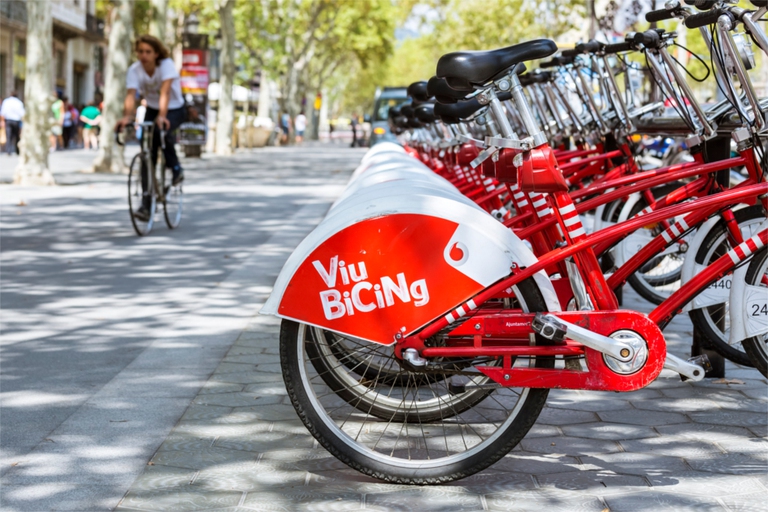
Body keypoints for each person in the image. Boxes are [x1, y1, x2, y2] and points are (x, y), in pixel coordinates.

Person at [117, 35, 186, 221]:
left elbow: (165, 93)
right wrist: (126, 117)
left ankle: (176, 168)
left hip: (175, 107)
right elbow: (131, 95)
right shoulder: (134, 70)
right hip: (152, 109)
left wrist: (162, 116)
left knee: (161, 131)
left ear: (156, 53)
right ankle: (147, 206)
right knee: (147, 150)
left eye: (148, 52)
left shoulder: (166, 65)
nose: (144, 55)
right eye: (140, 51)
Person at [0, 91, 24, 155]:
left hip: (8, 121)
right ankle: (17, 151)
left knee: (9, 136)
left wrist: (2, 121)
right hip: (16, 121)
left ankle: (8, 151)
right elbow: (22, 114)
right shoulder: (19, 102)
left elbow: (2, 113)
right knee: (17, 136)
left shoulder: (6, 101)